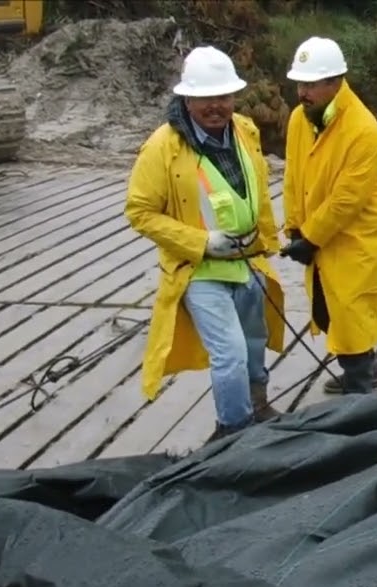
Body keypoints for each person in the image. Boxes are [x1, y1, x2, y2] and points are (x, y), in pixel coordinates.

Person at [125, 45, 287, 442]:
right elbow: (140, 212)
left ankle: (258, 403)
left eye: (224, 96)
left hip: (249, 261)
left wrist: (266, 240)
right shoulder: (162, 147)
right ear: (187, 97)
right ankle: (232, 432)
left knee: (253, 342)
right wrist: (201, 242)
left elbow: (258, 191)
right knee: (229, 354)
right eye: (206, 97)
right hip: (199, 269)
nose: (217, 105)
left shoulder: (245, 131)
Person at [280, 36, 377, 395]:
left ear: (335, 82)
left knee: (351, 308)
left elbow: (348, 199)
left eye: (311, 84)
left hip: (357, 234)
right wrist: (295, 227)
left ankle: (362, 389)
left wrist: (311, 237)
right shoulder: (301, 119)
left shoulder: (363, 131)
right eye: (300, 83)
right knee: (328, 305)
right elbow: (294, 175)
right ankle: (363, 371)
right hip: (321, 232)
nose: (302, 92)